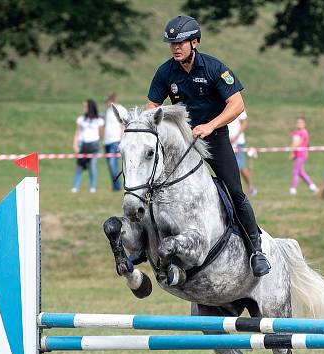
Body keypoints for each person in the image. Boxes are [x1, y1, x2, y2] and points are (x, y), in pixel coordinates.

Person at [147, 15, 269, 277]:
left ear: (195, 42)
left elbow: (237, 105)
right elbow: (152, 109)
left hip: (213, 139)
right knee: (151, 187)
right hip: (182, 143)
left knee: (235, 192)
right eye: (172, 44)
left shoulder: (215, 68)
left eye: (180, 42)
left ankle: (256, 250)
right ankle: (144, 243)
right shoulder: (165, 72)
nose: (175, 48)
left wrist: (210, 126)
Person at [72, 99, 104, 193]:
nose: (84, 108)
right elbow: (77, 132)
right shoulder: (81, 119)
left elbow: (101, 134)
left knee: (92, 166)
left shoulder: (99, 120)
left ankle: (92, 187)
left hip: (93, 145)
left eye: (85, 106)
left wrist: (99, 144)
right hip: (83, 144)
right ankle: (75, 187)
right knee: (79, 166)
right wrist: (75, 144)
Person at [227, 110, 256, 195]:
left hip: (238, 142)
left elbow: (244, 123)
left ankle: (249, 187)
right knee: (234, 168)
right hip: (226, 142)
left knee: (239, 166)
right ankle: (244, 188)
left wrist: (235, 137)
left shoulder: (238, 105)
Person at [103, 93, 127, 191]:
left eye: (106, 102)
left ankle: (117, 186)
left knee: (113, 164)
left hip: (115, 141)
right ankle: (115, 186)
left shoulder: (121, 110)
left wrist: (122, 139)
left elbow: (124, 125)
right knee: (111, 165)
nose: (105, 104)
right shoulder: (108, 111)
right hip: (107, 141)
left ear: (111, 101)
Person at [289, 116, 316, 195]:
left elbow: (300, 143)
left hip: (301, 154)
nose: (299, 124)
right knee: (301, 172)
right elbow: (293, 142)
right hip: (296, 154)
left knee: (295, 171)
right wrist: (292, 151)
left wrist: (292, 152)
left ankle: (293, 188)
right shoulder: (295, 132)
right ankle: (312, 186)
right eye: (297, 122)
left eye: (301, 122)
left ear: (304, 124)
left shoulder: (304, 132)